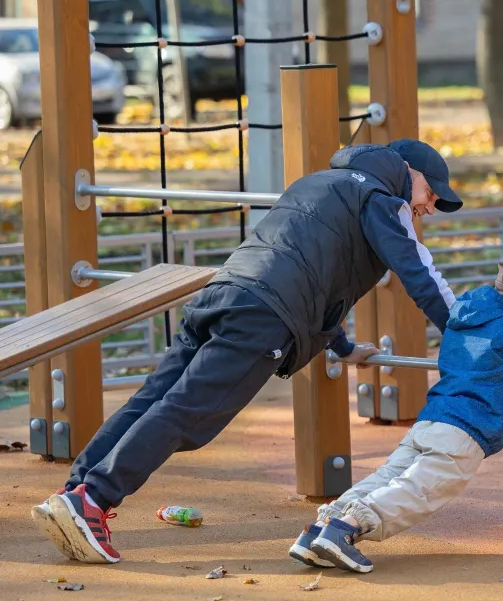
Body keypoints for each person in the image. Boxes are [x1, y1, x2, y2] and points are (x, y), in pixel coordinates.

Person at [32, 139, 463, 565]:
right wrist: (466, 339)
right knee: (190, 411)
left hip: (223, 292)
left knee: (152, 399)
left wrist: (343, 347)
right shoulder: (382, 201)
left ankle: (75, 493)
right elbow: (418, 274)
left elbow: (316, 274)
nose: (428, 207)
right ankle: (94, 499)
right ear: (410, 172)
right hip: (265, 316)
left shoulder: (320, 182)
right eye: (430, 194)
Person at [288, 247, 503, 573]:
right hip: (467, 430)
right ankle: (346, 529)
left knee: (388, 476)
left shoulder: (465, 311)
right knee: (418, 490)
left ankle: (319, 530)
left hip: (432, 419)